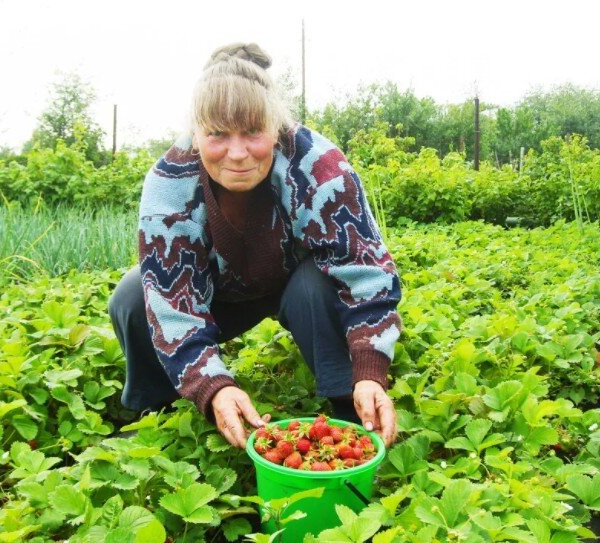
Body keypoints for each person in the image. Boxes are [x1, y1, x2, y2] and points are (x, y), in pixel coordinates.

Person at [108, 42, 402, 449]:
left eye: (252, 132)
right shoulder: (169, 182)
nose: (238, 153)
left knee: (319, 284)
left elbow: (364, 270)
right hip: (217, 295)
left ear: (275, 125)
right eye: (217, 135)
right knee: (132, 294)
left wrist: (371, 369)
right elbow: (171, 299)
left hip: (297, 285)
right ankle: (156, 409)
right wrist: (213, 386)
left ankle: (352, 404)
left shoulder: (318, 165)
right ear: (195, 132)